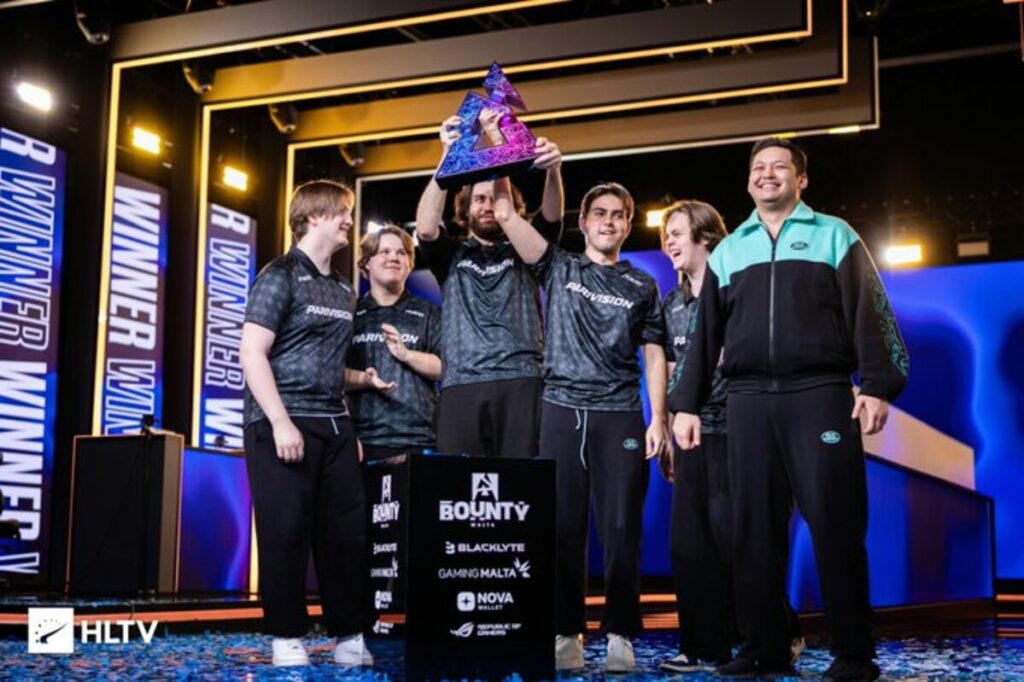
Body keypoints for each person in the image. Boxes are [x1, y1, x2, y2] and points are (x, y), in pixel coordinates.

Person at [669, 138, 909, 681]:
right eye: (758, 167)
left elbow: (870, 311)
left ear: (801, 180)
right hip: (747, 401)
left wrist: (876, 384)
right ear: (748, 181)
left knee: (835, 524)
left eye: (779, 166)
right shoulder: (731, 250)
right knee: (751, 529)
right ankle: (763, 649)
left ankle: (853, 654)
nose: (767, 174)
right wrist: (685, 404)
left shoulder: (834, 234)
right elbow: (705, 335)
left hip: (819, 394)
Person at [492, 177, 668, 673]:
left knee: (621, 529)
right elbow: (505, 214)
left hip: (620, 414)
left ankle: (619, 635)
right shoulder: (559, 266)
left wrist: (659, 417)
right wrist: (498, 148)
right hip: (561, 410)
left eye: (618, 215)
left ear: (628, 225)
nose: (609, 222)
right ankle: (565, 632)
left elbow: (655, 354)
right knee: (562, 529)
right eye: (600, 214)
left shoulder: (642, 285)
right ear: (584, 222)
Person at [655, 200, 804, 674]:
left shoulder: (740, 291)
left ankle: (775, 633)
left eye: (678, 232)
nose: (669, 242)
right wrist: (670, 423)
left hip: (739, 431)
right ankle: (703, 645)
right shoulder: (672, 305)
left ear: (706, 237)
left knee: (740, 540)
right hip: (691, 434)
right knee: (689, 544)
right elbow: (674, 369)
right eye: (665, 235)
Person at [240, 180, 382, 668]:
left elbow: (327, 364)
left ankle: (349, 634)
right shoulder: (279, 275)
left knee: (347, 535)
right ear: (314, 215)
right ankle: (286, 636)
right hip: (281, 420)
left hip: (335, 426)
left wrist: (352, 414)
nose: (349, 221)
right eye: (342, 211)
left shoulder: (344, 288)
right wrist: (281, 422)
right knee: (284, 532)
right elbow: (252, 353)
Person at [414, 108, 563, 458]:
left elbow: (552, 215)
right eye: (478, 199)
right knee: (458, 487)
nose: (487, 206)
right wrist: (448, 155)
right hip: (462, 384)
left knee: (522, 486)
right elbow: (425, 228)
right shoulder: (451, 255)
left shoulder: (527, 249)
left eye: (493, 198)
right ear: (465, 210)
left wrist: (554, 170)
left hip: (521, 380)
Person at [347, 225, 442, 461]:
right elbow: (331, 374)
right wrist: (365, 379)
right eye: (385, 252)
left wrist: (406, 354)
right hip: (361, 440)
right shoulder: (349, 314)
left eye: (401, 253)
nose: (394, 257)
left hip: (418, 438)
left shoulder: (429, 312)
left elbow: (445, 368)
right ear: (366, 263)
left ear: (410, 264)